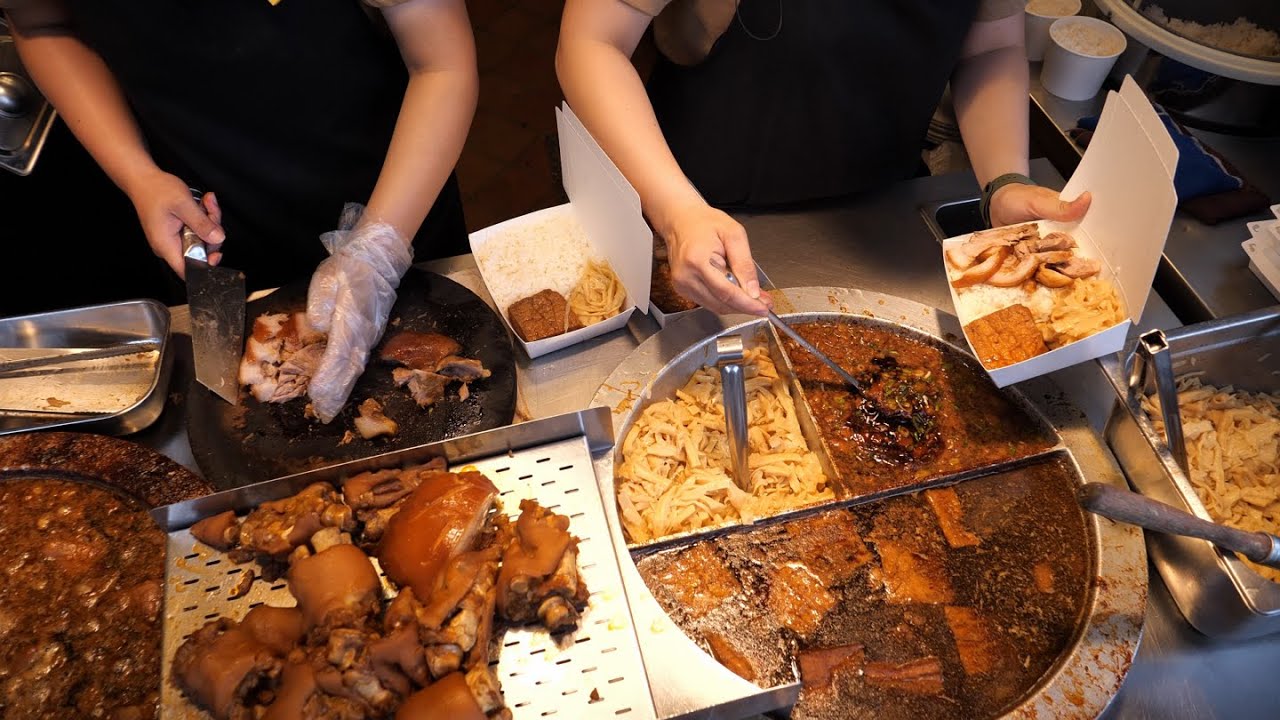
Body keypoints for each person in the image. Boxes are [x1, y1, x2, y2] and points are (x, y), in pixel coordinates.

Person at [4, 0, 478, 421]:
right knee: (242, 415)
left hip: (394, 194)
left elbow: (441, 64)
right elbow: (41, 22)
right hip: (211, 216)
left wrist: (379, 248)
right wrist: (137, 174)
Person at [556, 0, 1092, 316]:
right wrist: (677, 211)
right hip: (699, 198)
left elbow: (990, 47)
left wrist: (1004, 179)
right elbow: (592, 40)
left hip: (879, 202)